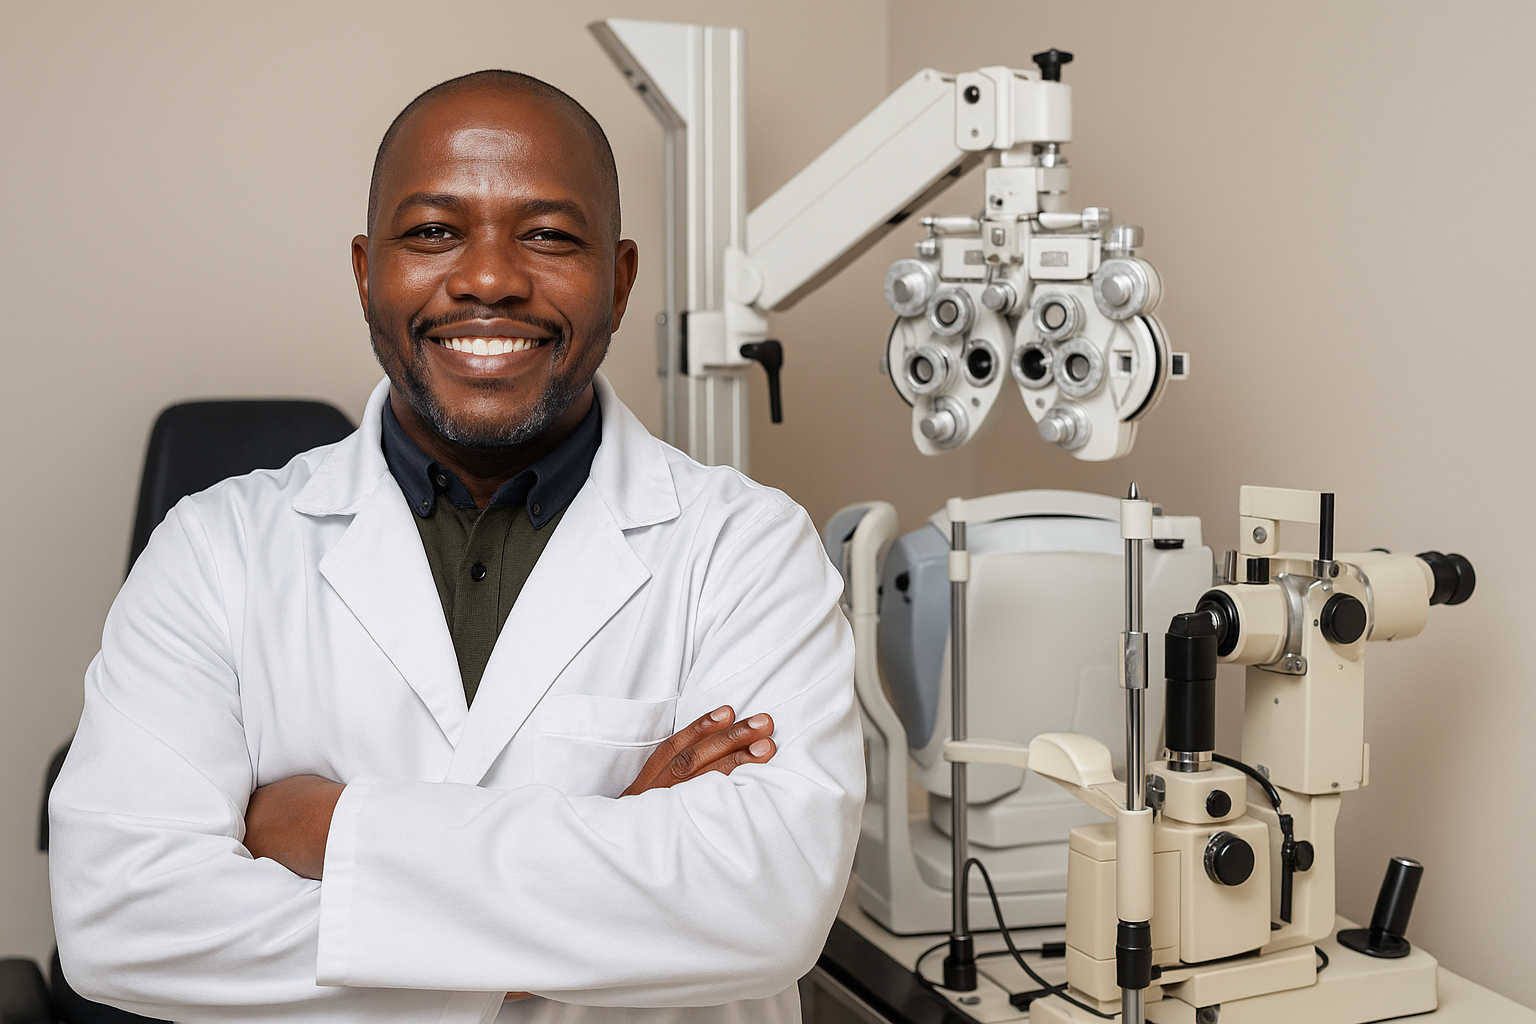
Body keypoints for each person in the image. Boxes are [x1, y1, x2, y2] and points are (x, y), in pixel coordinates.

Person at [48, 70, 862, 1024]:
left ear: (622, 276)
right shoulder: (214, 550)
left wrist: (326, 829)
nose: (488, 279)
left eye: (550, 235)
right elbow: (124, 922)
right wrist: (615, 853)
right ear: (365, 271)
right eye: (434, 231)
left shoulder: (748, 546)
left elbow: (762, 913)